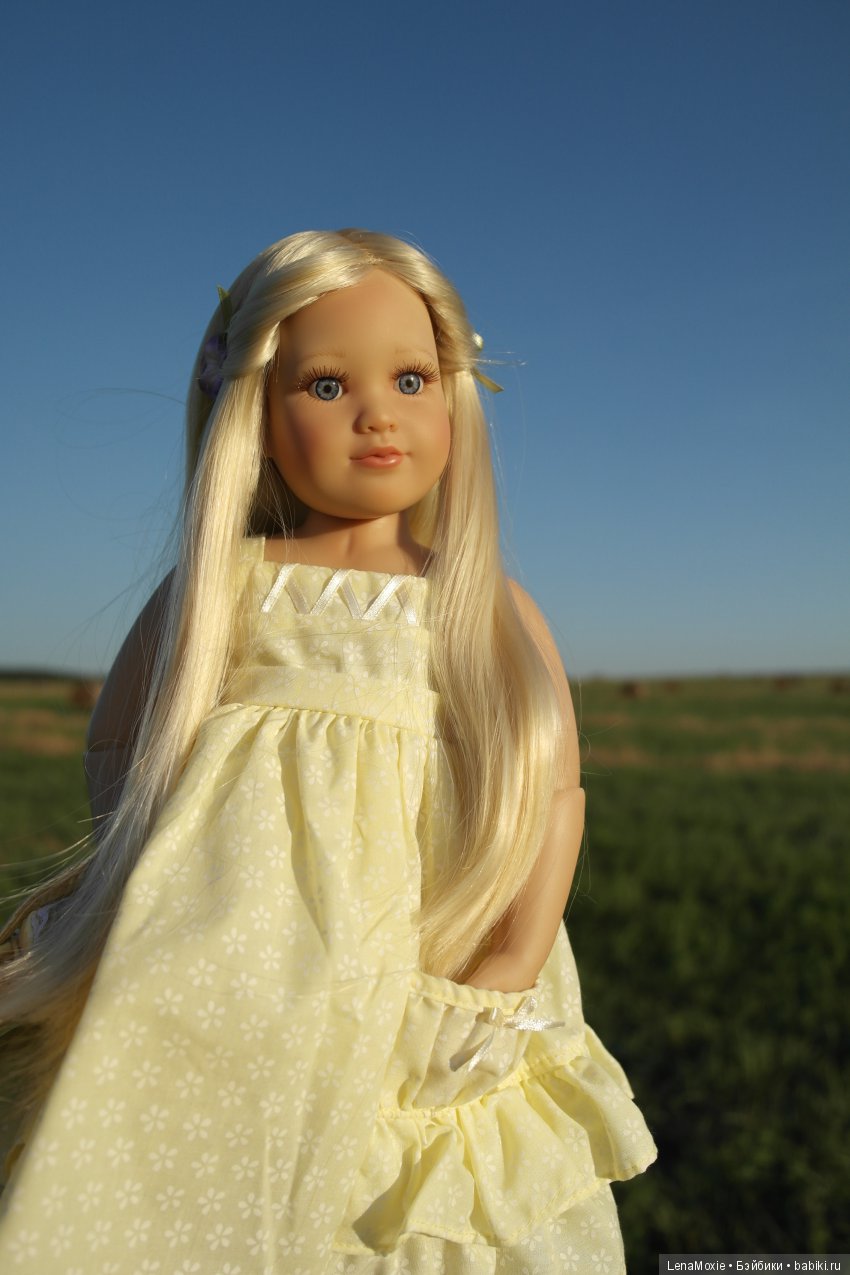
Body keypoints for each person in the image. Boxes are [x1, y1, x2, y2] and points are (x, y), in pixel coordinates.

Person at [0, 229, 656, 1271]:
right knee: (212, 1176)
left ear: (454, 398)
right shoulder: (226, 584)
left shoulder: (478, 605)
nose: (377, 413)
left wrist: (508, 964)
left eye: (410, 379)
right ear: (254, 412)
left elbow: (555, 791)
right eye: (325, 384)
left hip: (434, 962)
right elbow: (120, 740)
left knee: (408, 1197)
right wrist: (140, 878)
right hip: (239, 961)